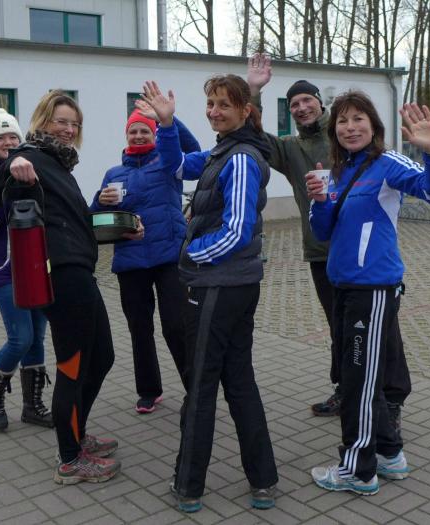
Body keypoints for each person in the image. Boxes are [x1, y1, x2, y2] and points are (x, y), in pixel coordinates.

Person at [0, 91, 143, 485]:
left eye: (75, 124)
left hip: (81, 270)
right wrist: (11, 161)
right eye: (62, 121)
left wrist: (117, 228)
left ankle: (77, 434)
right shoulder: (30, 155)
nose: (69, 129)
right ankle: (70, 458)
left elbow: (73, 223)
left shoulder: (59, 164)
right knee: (73, 365)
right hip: (63, 275)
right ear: (44, 121)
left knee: (102, 356)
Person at [247, 53, 412, 427]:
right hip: (322, 253)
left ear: (320, 103)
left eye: (307, 100)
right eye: (294, 104)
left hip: (365, 257)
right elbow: (253, 136)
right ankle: (347, 389)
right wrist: (254, 91)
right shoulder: (290, 150)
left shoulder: (342, 135)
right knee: (340, 326)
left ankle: (391, 398)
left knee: (383, 330)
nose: (302, 107)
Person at [140, 77, 279, 513]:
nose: (214, 111)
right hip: (231, 286)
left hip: (218, 286)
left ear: (245, 111)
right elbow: (177, 167)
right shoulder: (224, 151)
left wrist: (192, 256)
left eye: (224, 105)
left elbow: (236, 232)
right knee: (239, 381)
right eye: (210, 103)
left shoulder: (240, 159)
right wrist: (167, 125)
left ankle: (188, 486)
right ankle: (263, 481)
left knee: (201, 386)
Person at [307, 92, 430, 495]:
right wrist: (319, 201)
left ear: (373, 126)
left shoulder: (389, 164)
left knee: (358, 384)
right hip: (344, 287)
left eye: (358, 119)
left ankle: (358, 470)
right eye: (342, 121)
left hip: (372, 291)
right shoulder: (337, 172)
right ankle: (390, 455)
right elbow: (321, 231)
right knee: (363, 376)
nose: (350, 127)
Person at [90, 108, 200, 414]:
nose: (138, 136)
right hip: (131, 261)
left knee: (176, 327)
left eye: (145, 131)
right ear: (126, 136)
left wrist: (168, 119)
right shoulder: (114, 174)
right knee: (139, 328)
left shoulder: (168, 162)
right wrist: (100, 201)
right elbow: (98, 220)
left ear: (154, 134)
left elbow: (195, 152)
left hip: (169, 258)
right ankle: (149, 391)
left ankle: (195, 389)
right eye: (133, 131)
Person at [0, 109, 53, 432]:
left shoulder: (34, 168)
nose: (7, 142)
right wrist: (6, 185)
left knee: (37, 338)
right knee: (20, 339)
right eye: (0, 137)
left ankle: (32, 406)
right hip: (4, 270)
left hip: (36, 266)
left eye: (12, 136)